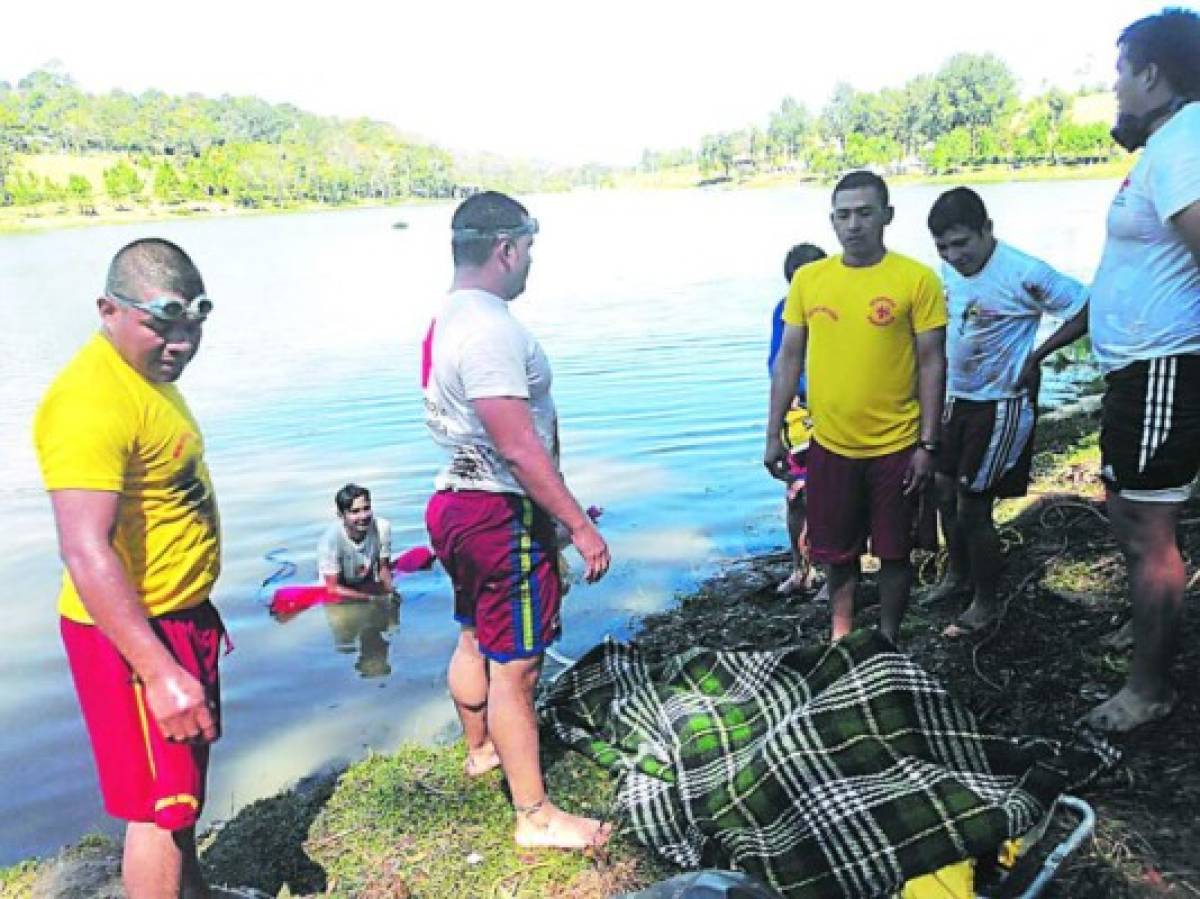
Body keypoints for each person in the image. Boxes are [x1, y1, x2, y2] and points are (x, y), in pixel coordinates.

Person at [1024, 9, 1200, 733]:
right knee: (1130, 513)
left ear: (1152, 73)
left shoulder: (1184, 144)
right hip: (1137, 371)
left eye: (1121, 73)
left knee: (1146, 526)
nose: (1115, 87)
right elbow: (1125, 274)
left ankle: (1150, 687)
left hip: (1165, 367)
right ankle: (1147, 635)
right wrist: (1047, 347)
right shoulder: (1164, 146)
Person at [34, 239, 224, 898]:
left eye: (193, 323)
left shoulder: (146, 377)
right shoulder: (88, 402)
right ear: (107, 309)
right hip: (132, 636)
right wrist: (159, 670)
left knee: (183, 793)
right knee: (156, 812)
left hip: (177, 616)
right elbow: (85, 550)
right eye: (161, 325)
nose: (181, 342)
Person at [422, 191, 612, 849]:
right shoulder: (491, 328)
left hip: (456, 501)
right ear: (506, 249)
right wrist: (577, 524)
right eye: (527, 248)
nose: (530, 260)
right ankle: (534, 815)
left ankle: (480, 750)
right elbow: (517, 443)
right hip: (499, 515)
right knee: (518, 667)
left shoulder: (446, 319)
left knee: (475, 634)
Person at [764, 171, 947, 644]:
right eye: (844, 215)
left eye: (865, 213)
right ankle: (841, 639)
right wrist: (772, 434)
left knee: (894, 552)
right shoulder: (810, 280)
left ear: (886, 216)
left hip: (897, 444)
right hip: (830, 443)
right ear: (832, 221)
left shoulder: (916, 279)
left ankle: (887, 638)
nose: (854, 225)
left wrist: (928, 442)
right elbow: (788, 360)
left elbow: (932, 363)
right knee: (837, 553)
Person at [925, 187, 1088, 636]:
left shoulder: (1024, 272)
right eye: (944, 246)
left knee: (973, 505)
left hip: (1000, 404)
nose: (954, 255)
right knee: (942, 491)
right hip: (957, 398)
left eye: (963, 243)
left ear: (987, 230)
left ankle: (985, 601)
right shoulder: (948, 271)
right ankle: (955, 575)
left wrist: (1037, 355)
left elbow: (1085, 307)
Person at [768, 243, 828, 596]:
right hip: (799, 420)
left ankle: (832, 575)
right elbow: (778, 364)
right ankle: (800, 568)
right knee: (797, 495)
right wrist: (774, 428)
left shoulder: (842, 308)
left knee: (835, 497)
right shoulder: (784, 312)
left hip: (837, 416)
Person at [317, 483, 395, 600]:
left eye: (366, 508)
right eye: (355, 511)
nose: (363, 516)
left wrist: (390, 593)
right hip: (339, 589)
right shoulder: (330, 541)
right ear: (341, 515)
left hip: (365, 581)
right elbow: (332, 588)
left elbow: (383, 568)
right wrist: (370, 598)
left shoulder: (382, 528)